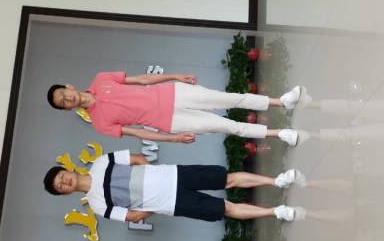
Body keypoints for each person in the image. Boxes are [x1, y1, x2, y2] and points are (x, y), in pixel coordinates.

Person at [46, 71, 311, 146]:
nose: (67, 98)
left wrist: (174, 76)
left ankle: (281, 102)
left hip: (172, 92)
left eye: (63, 93)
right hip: (170, 121)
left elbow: (141, 79)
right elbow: (138, 133)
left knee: (230, 98)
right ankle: (279, 134)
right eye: (63, 102)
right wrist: (171, 139)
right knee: (227, 126)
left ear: (68, 86)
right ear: (67, 110)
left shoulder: (101, 79)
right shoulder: (99, 124)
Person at [43, 150, 307, 224]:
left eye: (61, 176)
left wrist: (155, 176)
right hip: (172, 203)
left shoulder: (101, 162)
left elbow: (137, 158)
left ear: (67, 170)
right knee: (224, 208)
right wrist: (157, 203)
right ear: (64, 193)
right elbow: (133, 216)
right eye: (60, 186)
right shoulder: (97, 205)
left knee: (226, 179)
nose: (64, 182)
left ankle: (276, 181)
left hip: (174, 175)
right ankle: (275, 212)